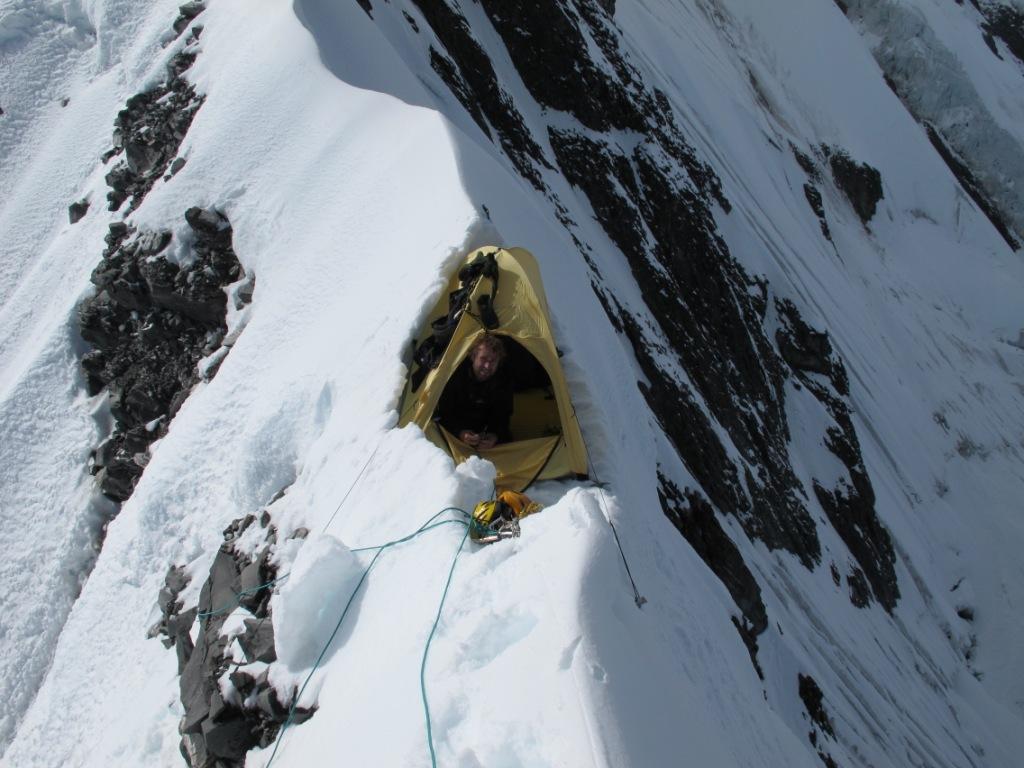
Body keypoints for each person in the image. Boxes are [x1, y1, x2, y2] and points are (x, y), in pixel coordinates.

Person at [436, 334, 513, 450]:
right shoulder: (455, 376)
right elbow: (443, 415)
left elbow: (503, 417)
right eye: (483, 359)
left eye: (493, 361)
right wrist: (460, 433)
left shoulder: (502, 381)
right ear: (473, 357)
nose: (487, 366)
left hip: (484, 437)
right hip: (454, 434)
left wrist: (495, 436)